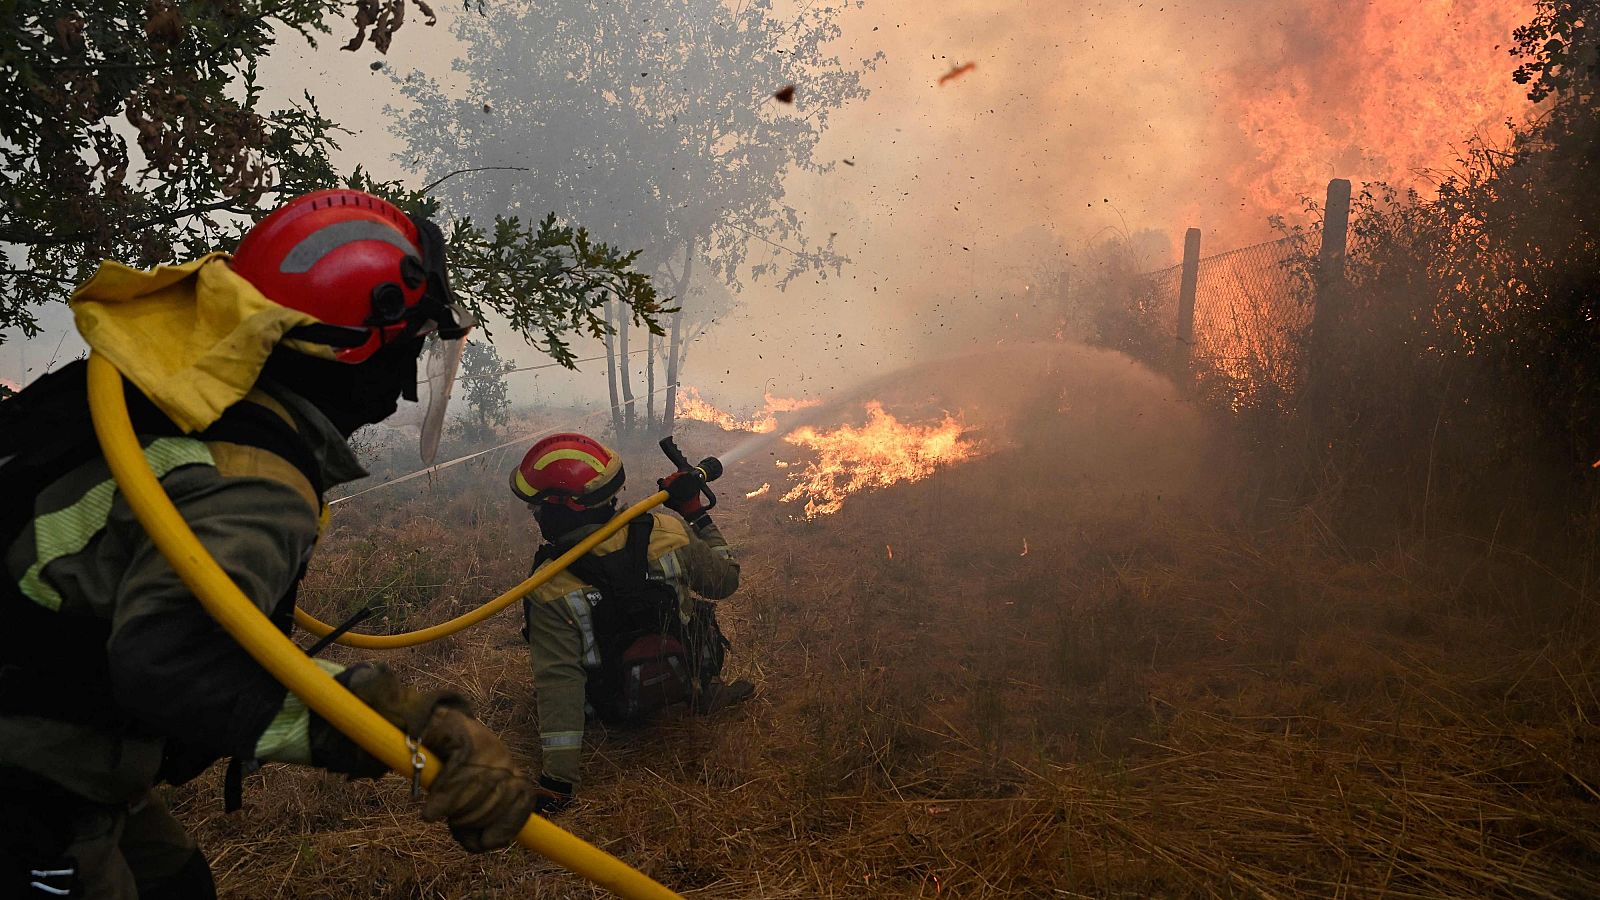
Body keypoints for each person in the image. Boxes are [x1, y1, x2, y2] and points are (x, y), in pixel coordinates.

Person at [1, 189, 540, 899]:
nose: (412, 370)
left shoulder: (178, 394)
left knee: (178, 883)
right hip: (29, 769)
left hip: (69, 744)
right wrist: (398, 730)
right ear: (360, 345)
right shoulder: (252, 477)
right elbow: (169, 665)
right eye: (414, 339)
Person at [511, 433, 755, 811]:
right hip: (681, 677)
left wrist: (558, 782)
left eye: (538, 509)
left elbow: (559, 681)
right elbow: (727, 581)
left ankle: (700, 689)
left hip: (612, 705)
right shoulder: (668, 533)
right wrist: (696, 514)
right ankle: (702, 686)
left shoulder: (548, 585)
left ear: (564, 509)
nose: (538, 516)